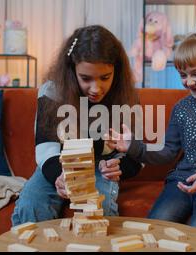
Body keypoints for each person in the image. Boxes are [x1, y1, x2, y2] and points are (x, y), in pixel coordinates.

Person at [106, 32, 196, 234]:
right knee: (154, 230)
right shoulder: (182, 108)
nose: (189, 82)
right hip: (183, 181)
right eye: (183, 75)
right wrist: (132, 146)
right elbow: (167, 152)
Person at [11, 25, 142, 226]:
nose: (96, 89)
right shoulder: (52, 91)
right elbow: (46, 148)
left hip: (102, 163)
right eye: (86, 78)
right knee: (31, 205)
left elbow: (138, 152)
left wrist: (121, 167)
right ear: (71, 71)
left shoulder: (125, 93)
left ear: (116, 70)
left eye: (105, 77)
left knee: (100, 209)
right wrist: (59, 176)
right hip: (61, 162)